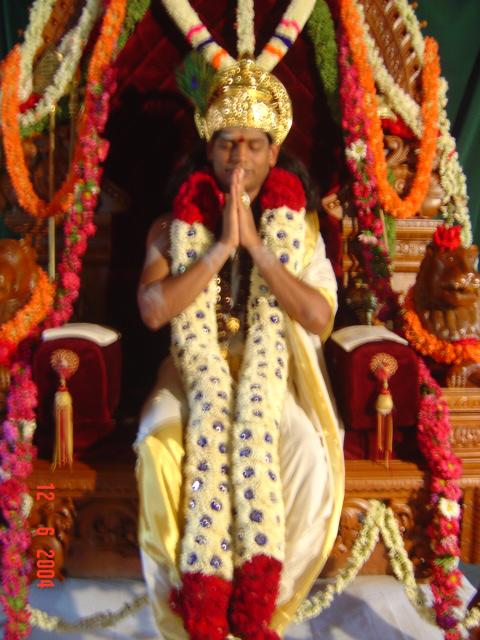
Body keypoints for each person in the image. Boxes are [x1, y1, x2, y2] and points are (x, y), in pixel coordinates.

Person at [135, 58, 344, 640]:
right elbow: (154, 311)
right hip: (190, 371)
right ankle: (181, 616)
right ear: (210, 150)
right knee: (156, 441)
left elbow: (318, 315)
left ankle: (262, 609)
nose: (240, 158)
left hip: (271, 375)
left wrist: (258, 246)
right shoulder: (168, 227)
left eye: (254, 145)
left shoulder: (300, 230)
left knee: (305, 452)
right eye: (228, 143)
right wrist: (222, 249)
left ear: (274, 154)